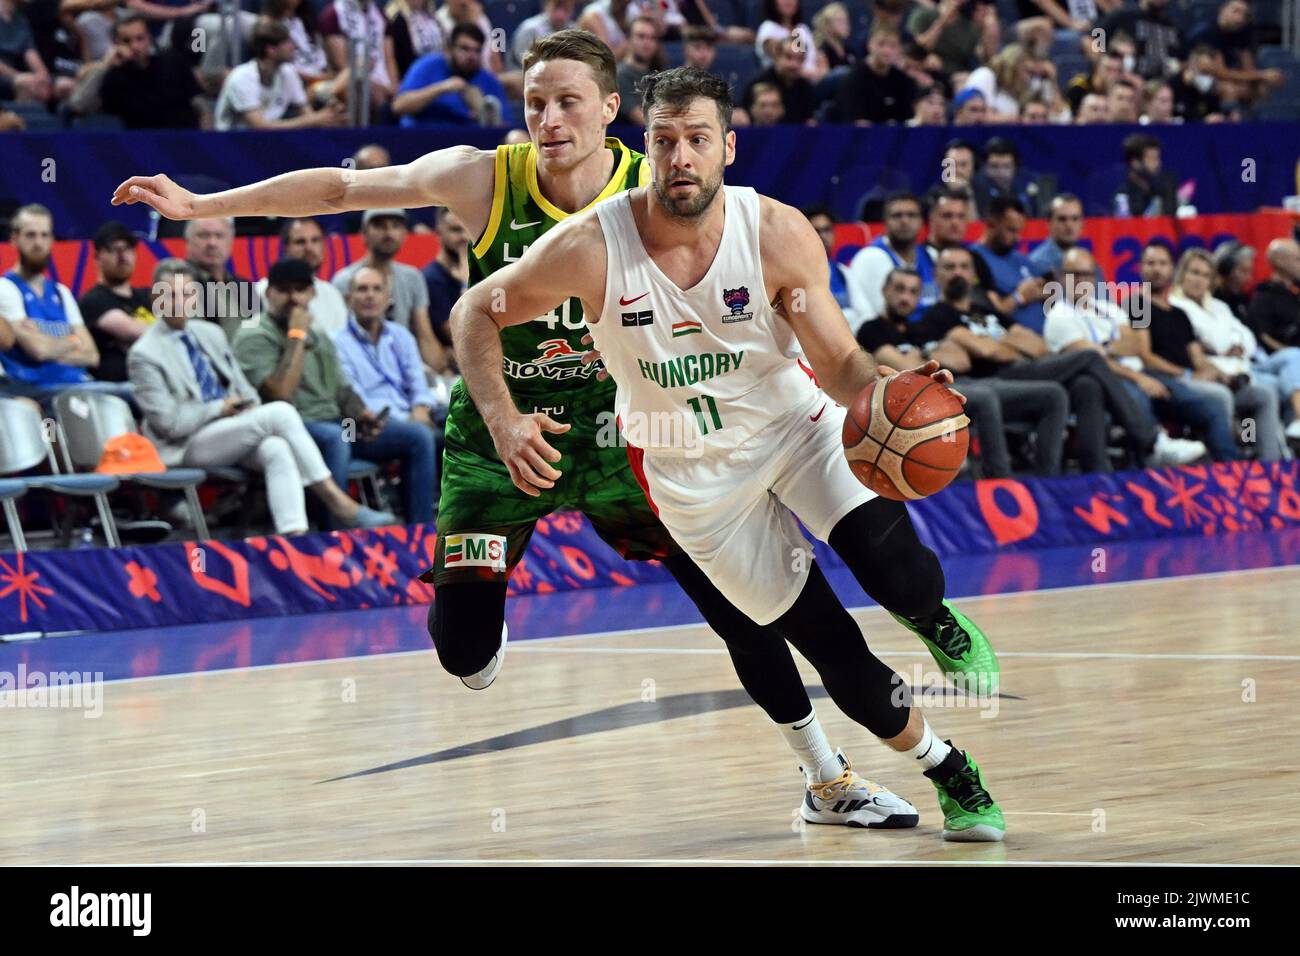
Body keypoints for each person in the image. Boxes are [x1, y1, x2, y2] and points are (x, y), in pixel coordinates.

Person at [113, 31, 1001, 829]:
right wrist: (202, 207)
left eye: (568, 100)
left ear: (613, 111)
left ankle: (828, 777)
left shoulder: (670, 182)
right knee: (464, 653)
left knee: (743, 616)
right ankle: (477, 610)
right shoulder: (483, 177)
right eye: (533, 101)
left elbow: (819, 336)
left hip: (629, 437)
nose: (547, 118)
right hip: (504, 437)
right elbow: (345, 187)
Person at [449, 65, 1007, 840]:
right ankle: (950, 770)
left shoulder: (774, 231)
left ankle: (936, 620)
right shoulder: (588, 248)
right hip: (692, 476)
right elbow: (474, 309)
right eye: (665, 140)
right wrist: (504, 421)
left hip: (792, 427)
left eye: (698, 140)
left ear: (727, 149)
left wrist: (887, 390)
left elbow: (841, 362)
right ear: (644, 147)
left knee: (901, 573)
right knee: (829, 645)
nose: (680, 157)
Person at [130, 258, 395, 534]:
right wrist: (220, 408)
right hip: (185, 445)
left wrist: (245, 407)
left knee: (276, 449)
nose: (179, 302)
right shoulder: (144, 353)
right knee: (282, 413)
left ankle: (294, 536)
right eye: (170, 294)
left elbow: (242, 387)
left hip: (230, 431)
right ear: (155, 296)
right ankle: (338, 503)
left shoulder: (210, 333)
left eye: (187, 293)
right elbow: (170, 424)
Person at [232, 258, 435, 525]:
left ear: (312, 294)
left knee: (417, 435)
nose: (293, 298)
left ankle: (418, 531)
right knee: (335, 438)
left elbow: (341, 389)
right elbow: (280, 394)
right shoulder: (254, 334)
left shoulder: (318, 334)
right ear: (269, 293)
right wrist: (296, 336)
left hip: (340, 423)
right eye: (284, 290)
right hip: (294, 429)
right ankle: (335, 536)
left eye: (300, 290)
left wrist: (363, 417)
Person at [1043, 246, 1230, 462]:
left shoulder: (1111, 308)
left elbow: (1132, 346)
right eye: (1073, 275)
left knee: (1216, 404)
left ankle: (1232, 466)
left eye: (1086, 274)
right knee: (1139, 393)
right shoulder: (1064, 315)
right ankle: (1154, 452)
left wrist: (1105, 348)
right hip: (1115, 380)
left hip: (1146, 372)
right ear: (1061, 277)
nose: (1080, 281)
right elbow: (1096, 361)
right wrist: (1121, 355)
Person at [891, 263, 1070, 478]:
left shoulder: (984, 310)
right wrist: (1006, 343)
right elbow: (969, 358)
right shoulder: (935, 317)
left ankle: (1049, 482)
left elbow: (1038, 347)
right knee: (1090, 358)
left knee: (1068, 389)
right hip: (984, 379)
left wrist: (995, 346)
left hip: (1017, 370)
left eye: (965, 267)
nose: (905, 298)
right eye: (899, 289)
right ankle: (1002, 480)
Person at [1132, 239, 1262, 459]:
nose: (1156, 269)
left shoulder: (1178, 313)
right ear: (1140, 268)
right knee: (1220, 397)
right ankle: (1229, 459)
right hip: (1164, 379)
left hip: (1191, 378)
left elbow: (1197, 356)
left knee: (1256, 395)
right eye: (1150, 263)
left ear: (1172, 269)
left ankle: (1255, 448)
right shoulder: (1137, 304)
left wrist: (1218, 373)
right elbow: (1145, 356)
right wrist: (1187, 373)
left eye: (1162, 263)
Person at [0, 204, 130, 410]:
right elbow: (39, 351)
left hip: (81, 383)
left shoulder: (61, 292)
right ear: (14, 239)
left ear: (52, 240)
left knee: (137, 393)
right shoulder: (5, 288)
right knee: (132, 393)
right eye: (31, 235)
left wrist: (52, 344)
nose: (38, 243)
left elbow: (92, 355)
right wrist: (73, 340)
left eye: (44, 235)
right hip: (38, 389)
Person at [1172, 247, 1300, 446]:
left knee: (1294, 358)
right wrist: (1230, 341)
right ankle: (1264, 453)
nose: (1199, 280)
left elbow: (1247, 337)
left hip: (1244, 363)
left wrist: (1238, 344)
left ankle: (1294, 438)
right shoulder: (1174, 306)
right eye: (1194, 273)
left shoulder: (1218, 306)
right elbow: (1217, 340)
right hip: (1217, 371)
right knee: (1271, 390)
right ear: (1182, 274)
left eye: (1206, 275)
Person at [333, 265, 441, 487]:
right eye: (362, 289)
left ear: (388, 298)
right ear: (348, 298)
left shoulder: (401, 336)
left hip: (408, 414)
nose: (370, 295)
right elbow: (352, 395)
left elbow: (417, 383)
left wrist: (420, 408)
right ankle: (420, 520)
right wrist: (412, 421)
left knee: (465, 418)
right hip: (360, 425)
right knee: (420, 436)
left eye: (376, 289)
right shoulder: (336, 342)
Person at [331, 209, 448, 373]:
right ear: (363, 233)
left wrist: (442, 372)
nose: (388, 232)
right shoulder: (344, 280)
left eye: (395, 226)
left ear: (405, 234)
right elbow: (339, 337)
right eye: (380, 226)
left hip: (405, 364)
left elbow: (424, 335)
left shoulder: (412, 277)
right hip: (360, 367)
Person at [214, 17, 345, 130]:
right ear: (271, 50)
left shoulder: (288, 72)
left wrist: (329, 117)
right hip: (232, 144)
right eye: (287, 43)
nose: (294, 47)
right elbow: (259, 126)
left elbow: (307, 113)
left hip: (270, 143)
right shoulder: (241, 77)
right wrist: (312, 120)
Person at [78, 221, 156, 383]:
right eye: (114, 249)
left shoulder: (146, 295)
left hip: (152, 379)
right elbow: (137, 333)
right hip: (118, 385)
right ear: (97, 257)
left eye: (127, 249)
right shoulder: (94, 300)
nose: (122, 256)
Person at [99, 13, 205, 129]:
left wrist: (206, 140)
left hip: (184, 139)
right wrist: (105, 65)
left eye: (140, 38)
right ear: (117, 44)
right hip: (142, 142)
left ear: (149, 39)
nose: (135, 46)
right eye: (126, 41)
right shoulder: (114, 77)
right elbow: (81, 105)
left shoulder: (173, 62)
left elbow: (201, 106)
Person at [846, 191, 935, 328]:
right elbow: (877, 316)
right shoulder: (870, 258)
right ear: (885, 222)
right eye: (897, 215)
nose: (904, 221)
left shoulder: (931, 255)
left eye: (911, 215)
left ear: (921, 221)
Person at [394, 22, 506, 127]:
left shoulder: (487, 79)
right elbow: (399, 106)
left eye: (477, 51)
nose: (471, 56)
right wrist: (442, 88)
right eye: (465, 49)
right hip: (422, 138)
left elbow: (506, 128)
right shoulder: (428, 65)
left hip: (469, 142)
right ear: (449, 49)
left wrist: (483, 109)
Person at [255, 218, 349, 338]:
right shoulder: (262, 291)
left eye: (315, 240)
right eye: (300, 242)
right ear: (286, 247)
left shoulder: (331, 293)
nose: (309, 248)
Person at [970, 197, 1049, 334]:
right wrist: (1019, 296)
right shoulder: (974, 260)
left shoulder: (1024, 261)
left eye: (1020, 231)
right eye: (1011, 230)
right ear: (991, 224)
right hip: (1011, 343)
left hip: (1046, 340)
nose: (1017, 238)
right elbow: (989, 315)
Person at [825, 26, 916, 125]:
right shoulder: (853, 80)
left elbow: (908, 120)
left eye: (893, 46)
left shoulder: (903, 81)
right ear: (869, 45)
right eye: (881, 44)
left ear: (899, 49)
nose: (887, 51)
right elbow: (854, 120)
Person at [184, 217, 257, 339]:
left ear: (231, 242)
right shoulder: (177, 286)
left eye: (219, 236)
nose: (212, 243)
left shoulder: (246, 287)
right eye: (203, 235)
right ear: (187, 241)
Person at [802, 206, 858, 330]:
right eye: (816, 231)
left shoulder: (843, 272)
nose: (823, 236)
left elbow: (864, 313)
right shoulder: (795, 275)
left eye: (827, 230)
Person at [422, 207, 469, 354]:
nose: (465, 237)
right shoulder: (430, 278)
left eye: (468, 229)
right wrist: (466, 284)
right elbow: (457, 334)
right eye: (456, 230)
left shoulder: (481, 270)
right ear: (439, 233)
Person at [743, 36, 816, 125]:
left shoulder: (806, 88)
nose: (794, 64)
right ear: (777, 55)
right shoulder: (758, 83)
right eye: (788, 57)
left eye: (799, 60)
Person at [1248, 238, 1300, 354]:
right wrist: (1292, 355)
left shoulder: (1294, 294)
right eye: (1298, 259)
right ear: (1280, 261)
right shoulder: (1263, 297)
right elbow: (1263, 337)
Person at [1113, 133, 1179, 218]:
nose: (1158, 164)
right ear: (1135, 163)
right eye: (1152, 159)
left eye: (1158, 158)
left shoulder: (1165, 188)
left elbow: (1170, 217)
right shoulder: (1122, 194)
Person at [615, 16, 658, 124]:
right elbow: (640, 119)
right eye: (641, 36)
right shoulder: (620, 75)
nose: (647, 42)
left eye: (652, 38)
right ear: (628, 39)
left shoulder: (657, 74)